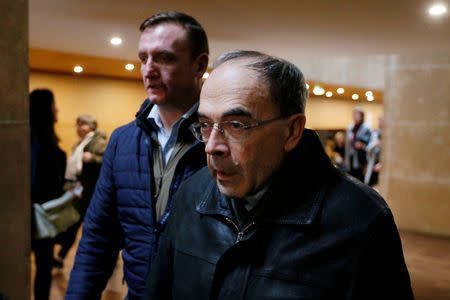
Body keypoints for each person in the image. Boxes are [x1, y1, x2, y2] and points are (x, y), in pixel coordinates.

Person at [143, 50, 414, 299]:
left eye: (236, 125)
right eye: (204, 124)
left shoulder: (360, 219)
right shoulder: (191, 195)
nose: (212, 146)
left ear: (292, 130)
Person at [65, 12, 209, 300]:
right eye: (144, 58)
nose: (148, 70)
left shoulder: (223, 139)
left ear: (200, 64)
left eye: (164, 58)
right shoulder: (123, 140)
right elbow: (98, 238)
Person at [53, 114, 107, 268]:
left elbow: (107, 161)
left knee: (77, 222)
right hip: (79, 188)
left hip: (89, 190)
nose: (78, 128)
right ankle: (62, 255)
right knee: (75, 221)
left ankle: (63, 256)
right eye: (77, 124)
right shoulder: (81, 143)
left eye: (82, 124)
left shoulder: (98, 142)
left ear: (91, 126)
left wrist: (92, 158)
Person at [30, 89, 67, 300]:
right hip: (42, 215)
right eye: (54, 104)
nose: (57, 109)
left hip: (36, 215)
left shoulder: (33, 142)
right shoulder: (47, 148)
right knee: (43, 269)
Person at [345, 107, 372, 181]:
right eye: (353, 114)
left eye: (357, 114)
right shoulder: (350, 127)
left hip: (361, 157)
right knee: (351, 178)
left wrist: (362, 145)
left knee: (360, 178)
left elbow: (369, 144)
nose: (354, 116)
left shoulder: (367, 128)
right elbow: (347, 145)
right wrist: (346, 158)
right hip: (351, 156)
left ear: (362, 116)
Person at [364, 114, 383, 186]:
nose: (379, 123)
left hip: (382, 164)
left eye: (381, 121)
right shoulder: (375, 133)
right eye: (378, 121)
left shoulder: (389, 134)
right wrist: (376, 144)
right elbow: (368, 148)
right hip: (373, 162)